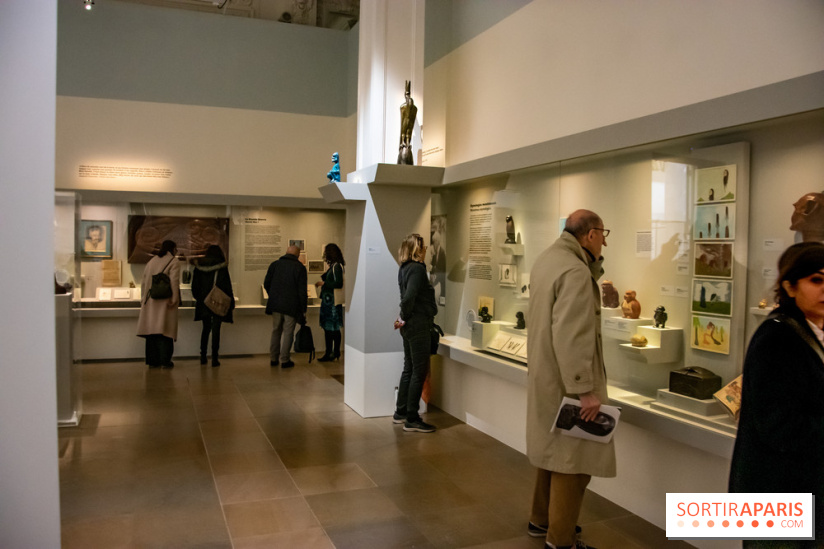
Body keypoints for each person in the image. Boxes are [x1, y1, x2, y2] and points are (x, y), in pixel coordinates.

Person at [526, 210, 615, 549]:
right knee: (572, 463)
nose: (605, 241)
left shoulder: (548, 259)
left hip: (546, 375)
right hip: (567, 383)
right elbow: (573, 335)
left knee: (552, 451)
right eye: (603, 234)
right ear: (590, 235)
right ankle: (560, 540)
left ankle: (540, 518)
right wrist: (585, 390)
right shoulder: (576, 272)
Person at [729, 242, 824, 546]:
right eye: (817, 280)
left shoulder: (813, 332)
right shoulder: (777, 338)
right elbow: (778, 426)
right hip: (778, 494)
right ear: (790, 287)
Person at [392, 233, 438, 433]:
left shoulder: (404, 268)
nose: (425, 250)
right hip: (418, 325)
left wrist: (402, 319)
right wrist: (404, 316)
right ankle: (412, 417)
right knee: (418, 371)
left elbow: (407, 297)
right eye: (423, 247)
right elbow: (409, 298)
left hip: (409, 326)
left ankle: (401, 412)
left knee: (409, 368)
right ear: (416, 250)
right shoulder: (418, 269)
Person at [137, 240, 181, 369]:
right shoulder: (173, 261)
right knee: (165, 331)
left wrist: (143, 299)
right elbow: (174, 281)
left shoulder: (152, 261)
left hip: (150, 301)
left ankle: (152, 360)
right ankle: (165, 360)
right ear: (173, 249)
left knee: (152, 332)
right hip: (165, 302)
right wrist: (175, 299)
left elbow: (144, 282)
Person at [264, 245, 307, 369]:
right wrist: (303, 309)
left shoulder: (275, 265)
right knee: (288, 332)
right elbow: (302, 291)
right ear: (298, 255)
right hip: (291, 306)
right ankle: (284, 359)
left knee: (275, 330)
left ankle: (273, 358)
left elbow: (267, 283)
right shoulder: (299, 268)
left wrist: (273, 295)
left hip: (276, 304)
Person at [191, 245, 234, 367]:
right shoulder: (222, 268)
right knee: (216, 330)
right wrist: (231, 303)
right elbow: (227, 287)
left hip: (204, 303)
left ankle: (203, 356)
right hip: (217, 302)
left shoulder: (199, 267)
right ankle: (215, 358)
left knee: (205, 329)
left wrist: (201, 299)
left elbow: (194, 288)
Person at [314, 243, 345, 362]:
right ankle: (333, 352)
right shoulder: (334, 266)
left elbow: (338, 283)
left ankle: (332, 352)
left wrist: (324, 283)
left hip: (331, 302)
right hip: (329, 301)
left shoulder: (336, 266)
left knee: (332, 328)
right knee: (332, 328)